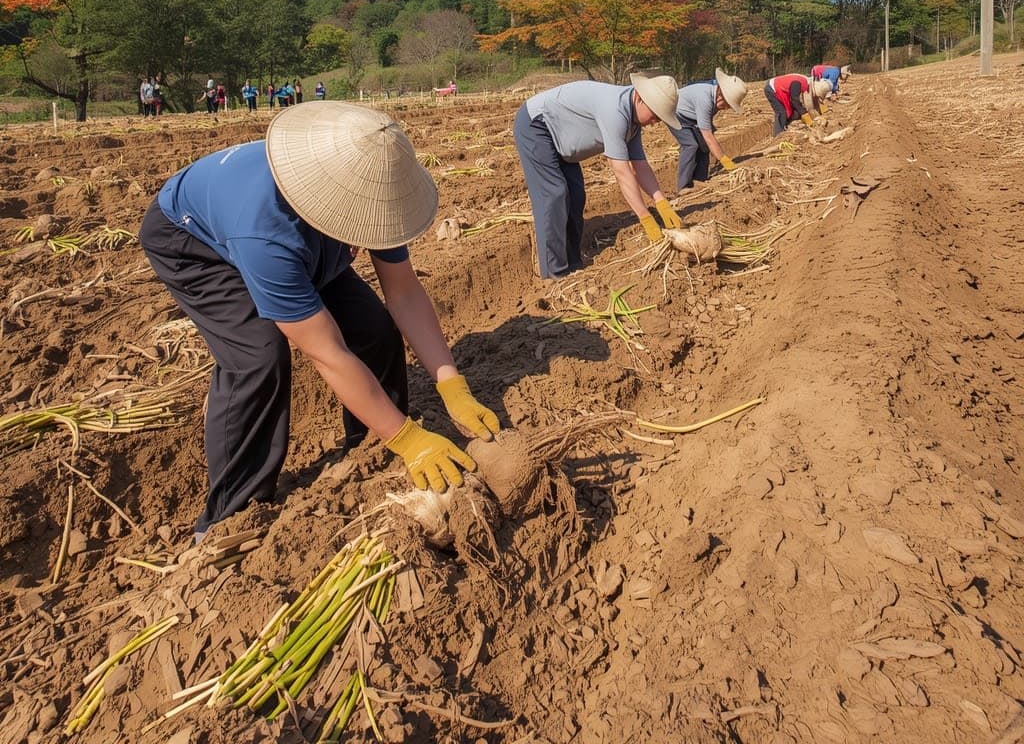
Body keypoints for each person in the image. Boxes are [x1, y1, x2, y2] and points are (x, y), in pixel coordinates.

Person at [139, 102, 498, 540]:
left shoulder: (371, 191)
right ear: (332, 211)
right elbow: (325, 352)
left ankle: (371, 445)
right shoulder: (268, 234)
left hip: (283, 228)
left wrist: (451, 385)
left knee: (372, 328)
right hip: (194, 241)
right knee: (257, 357)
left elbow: (403, 293)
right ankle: (228, 516)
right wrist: (409, 438)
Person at [513, 73, 683, 281]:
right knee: (553, 195)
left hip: (563, 141)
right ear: (640, 98)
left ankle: (573, 265)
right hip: (536, 125)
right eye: (656, 115)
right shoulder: (615, 111)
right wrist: (645, 217)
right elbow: (622, 171)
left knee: (576, 197)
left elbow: (639, 164)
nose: (655, 122)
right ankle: (554, 274)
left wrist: (661, 201)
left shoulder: (633, 122)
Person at [671, 68, 748, 191]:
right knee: (691, 145)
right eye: (728, 104)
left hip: (692, 117)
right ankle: (683, 186)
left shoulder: (714, 99)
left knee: (704, 147)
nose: (727, 108)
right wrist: (725, 161)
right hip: (676, 114)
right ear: (720, 95)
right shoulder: (705, 99)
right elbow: (707, 135)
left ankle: (700, 181)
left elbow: (707, 129)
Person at [764, 74, 831, 135]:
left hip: (780, 90)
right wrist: (805, 115)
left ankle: (787, 125)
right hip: (772, 88)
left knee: (794, 112)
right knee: (781, 112)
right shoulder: (797, 83)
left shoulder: (804, 81)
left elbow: (799, 101)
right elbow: (795, 101)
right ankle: (778, 135)